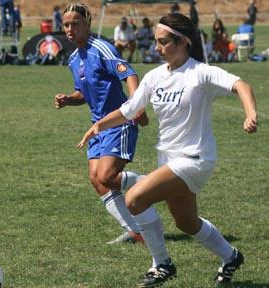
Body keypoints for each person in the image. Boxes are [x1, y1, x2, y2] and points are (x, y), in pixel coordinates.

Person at [78, 13, 258, 287]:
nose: (157, 48)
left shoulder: (201, 72)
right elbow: (130, 110)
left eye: (163, 42)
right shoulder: (155, 77)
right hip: (169, 161)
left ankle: (161, 264)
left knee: (135, 199)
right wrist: (99, 126)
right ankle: (230, 256)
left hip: (195, 159)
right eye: (156, 42)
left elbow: (241, 85)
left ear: (183, 42)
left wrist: (250, 113)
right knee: (186, 222)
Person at [54, 3, 152, 245]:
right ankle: (136, 231)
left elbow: (128, 73)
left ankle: (161, 182)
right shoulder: (74, 59)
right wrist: (69, 100)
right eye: (66, 25)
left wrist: (135, 104)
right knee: (96, 180)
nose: (70, 29)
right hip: (97, 126)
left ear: (87, 25)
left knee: (107, 175)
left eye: (75, 24)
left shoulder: (102, 49)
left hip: (118, 122)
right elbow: (83, 94)